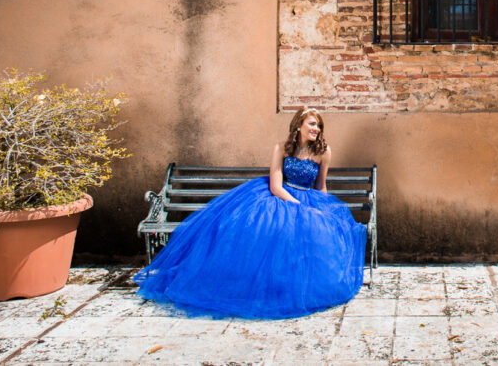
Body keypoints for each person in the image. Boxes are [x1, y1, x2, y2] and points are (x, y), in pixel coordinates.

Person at [133, 108, 367, 318]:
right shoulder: (282, 148)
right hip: (279, 197)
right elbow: (276, 186)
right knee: (258, 229)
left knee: (312, 233)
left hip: (308, 198)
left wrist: (321, 210)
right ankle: (254, 284)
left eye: (319, 125)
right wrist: (296, 204)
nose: (316, 129)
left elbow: (321, 186)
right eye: (312, 124)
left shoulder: (323, 152)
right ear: (299, 125)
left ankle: (296, 287)